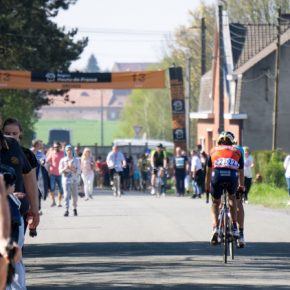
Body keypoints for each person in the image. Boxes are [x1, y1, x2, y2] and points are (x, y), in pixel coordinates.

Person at [205, 131, 244, 245]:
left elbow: (208, 172)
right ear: (232, 142)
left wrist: (207, 188)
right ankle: (235, 228)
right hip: (232, 177)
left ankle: (215, 227)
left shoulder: (213, 150)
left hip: (217, 176)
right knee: (232, 199)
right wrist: (241, 187)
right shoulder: (237, 151)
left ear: (218, 142)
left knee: (215, 203)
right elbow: (241, 173)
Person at [59, 144, 81, 217]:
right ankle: (66, 209)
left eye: (70, 150)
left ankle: (74, 208)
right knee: (66, 195)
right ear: (66, 151)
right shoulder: (63, 160)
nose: (69, 152)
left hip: (74, 180)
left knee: (75, 196)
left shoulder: (76, 160)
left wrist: (73, 169)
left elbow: (79, 171)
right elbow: (60, 171)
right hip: (66, 180)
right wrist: (65, 168)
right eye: (67, 150)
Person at [46, 142, 64, 207]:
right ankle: (53, 201)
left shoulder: (63, 153)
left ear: (60, 147)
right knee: (52, 188)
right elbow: (47, 160)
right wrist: (48, 164)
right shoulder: (52, 153)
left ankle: (59, 202)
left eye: (57, 147)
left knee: (61, 188)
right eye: (54, 147)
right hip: (52, 173)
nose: (56, 148)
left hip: (61, 173)